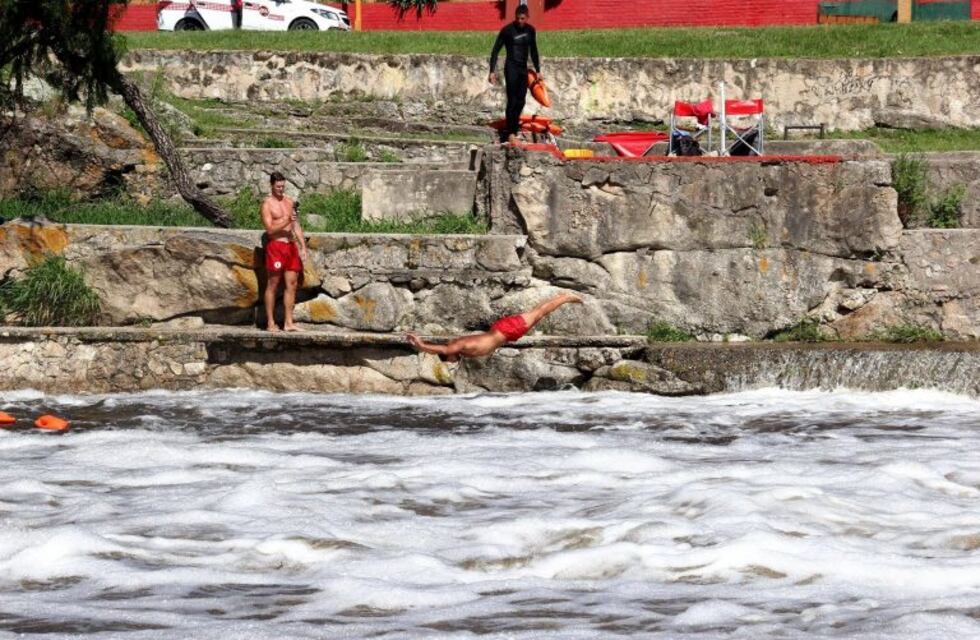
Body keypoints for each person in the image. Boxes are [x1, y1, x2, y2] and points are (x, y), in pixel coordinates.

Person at [406, 293, 581, 362]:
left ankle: (565, 297)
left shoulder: (455, 346)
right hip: (504, 332)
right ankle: (563, 297)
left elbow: (442, 349)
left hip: (506, 330)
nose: (452, 363)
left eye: (450, 361)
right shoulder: (461, 348)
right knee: (537, 314)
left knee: (539, 313)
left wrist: (421, 345)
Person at [260, 171, 307, 332]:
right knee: (273, 284)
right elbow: (270, 230)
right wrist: (287, 220)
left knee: (292, 284)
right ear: (272, 185)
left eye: (283, 186)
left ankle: (288, 323)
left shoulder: (289, 201)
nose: (281, 189)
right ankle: (270, 323)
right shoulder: (267, 204)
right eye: (278, 186)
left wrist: (303, 247)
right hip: (276, 247)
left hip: (290, 246)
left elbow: (296, 225)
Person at [488, 4, 541, 144]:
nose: (520, 21)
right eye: (518, 18)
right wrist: (492, 71)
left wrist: (538, 70)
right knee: (512, 100)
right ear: (515, 17)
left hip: (523, 68)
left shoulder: (531, 31)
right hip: (511, 67)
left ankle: (513, 126)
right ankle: (511, 132)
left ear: (527, 17)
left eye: (523, 18)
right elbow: (495, 50)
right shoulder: (507, 31)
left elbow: (534, 51)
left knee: (521, 100)